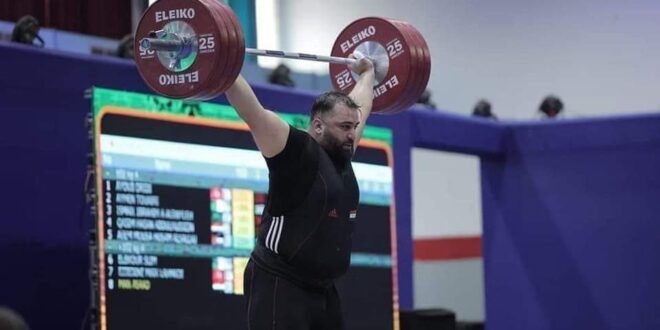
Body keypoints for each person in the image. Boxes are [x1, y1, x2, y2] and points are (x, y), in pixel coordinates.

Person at [225, 52, 374, 329]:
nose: (353, 134)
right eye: (345, 127)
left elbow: (361, 106)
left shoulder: (343, 152)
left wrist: (367, 73)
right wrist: (222, 64)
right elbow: (253, 113)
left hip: (323, 289)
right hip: (280, 283)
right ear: (317, 126)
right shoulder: (295, 152)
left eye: (354, 126)